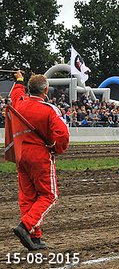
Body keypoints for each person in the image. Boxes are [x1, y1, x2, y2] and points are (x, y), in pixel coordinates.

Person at [9, 71, 70, 251]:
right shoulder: (49, 109)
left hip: (21, 154)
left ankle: (35, 238)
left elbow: (16, 94)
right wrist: (57, 148)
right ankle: (26, 226)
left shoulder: (18, 104)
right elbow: (63, 134)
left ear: (29, 89)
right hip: (40, 156)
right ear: (45, 91)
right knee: (49, 195)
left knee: (28, 196)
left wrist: (19, 80)